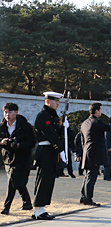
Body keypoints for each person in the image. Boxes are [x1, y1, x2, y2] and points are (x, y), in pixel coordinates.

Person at [79, 104, 111, 206]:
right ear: (96, 111)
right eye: (100, 110)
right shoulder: (97, 122)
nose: (101, 112)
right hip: (94, 152)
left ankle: (83, 197)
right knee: (91, 176)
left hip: (87, 150)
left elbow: (82, 139)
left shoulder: (84, 123)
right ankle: (88, 199)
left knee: (87, 175)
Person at [31, 91, 65, 220]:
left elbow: (57, 133)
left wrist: (64, 126)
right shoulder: (43, 115)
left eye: (58, 101)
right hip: (45, 151)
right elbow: (50, 134)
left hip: (50, 151)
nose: (57, 103)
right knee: (43, 180)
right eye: (55, 101)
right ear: (47, 101)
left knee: (48, 180)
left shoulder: (52, 116)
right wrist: (60, 150)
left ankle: (40, 209)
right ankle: (39, 209)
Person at [1, 102, 35, 215]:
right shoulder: (1, 126)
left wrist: (19, 145)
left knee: (12, 180)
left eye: (10, 112)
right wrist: (1, 141)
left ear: (16, 112)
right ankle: (27, 203)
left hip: (22, 158)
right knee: (18, 182)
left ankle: (6, 207)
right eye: (5, 112)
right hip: (8, 159)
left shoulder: (25, 126)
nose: (7, 115)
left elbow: (31, 143)